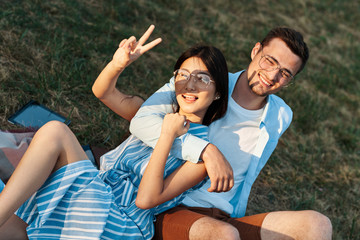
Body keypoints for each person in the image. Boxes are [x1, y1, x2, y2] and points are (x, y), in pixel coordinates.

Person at [0, 25, 230, 239]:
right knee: (14, 225)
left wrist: (168, 136)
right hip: (95, 189)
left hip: (121, 222)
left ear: (218, 92)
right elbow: (103, 92)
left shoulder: (202, 158)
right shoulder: (148, 116)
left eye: (202, 79)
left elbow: (145, 199)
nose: (190, 85)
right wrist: (118, 64)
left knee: (56, 132)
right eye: (183, 75)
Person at [116, 27, 332, 239]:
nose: (272, 75)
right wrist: (206, 150)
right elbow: (142, 120)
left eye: (285, 73)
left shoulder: (281, 115)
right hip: (173, 206)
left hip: (225, 217)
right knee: (224, 235)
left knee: (317, 225)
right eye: (270, 60)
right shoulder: (204, 81)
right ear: (255, 50)